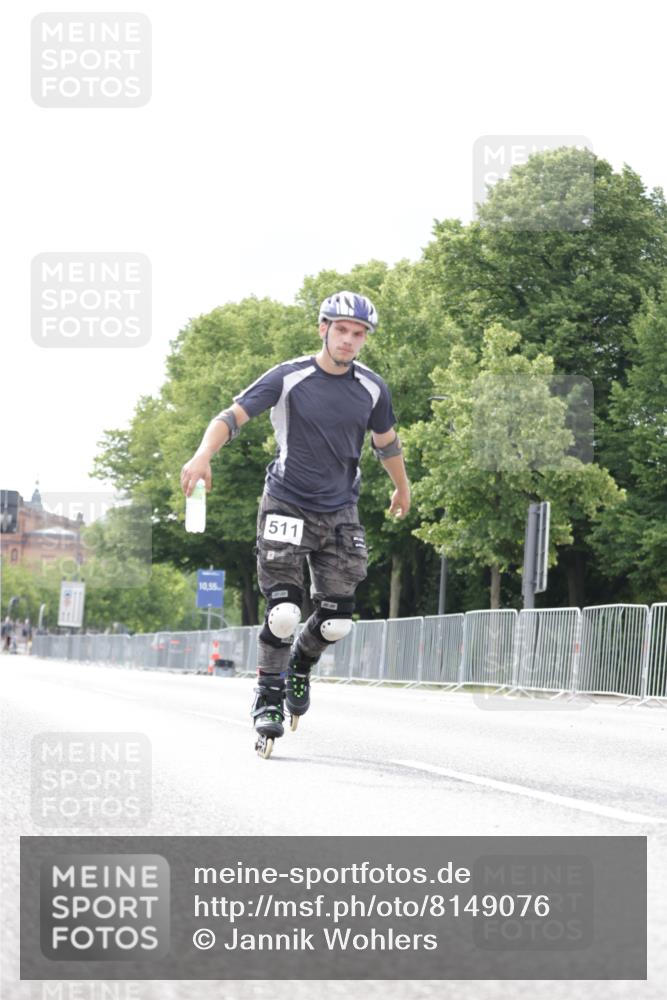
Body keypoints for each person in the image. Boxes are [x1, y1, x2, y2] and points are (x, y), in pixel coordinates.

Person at [180, 291, 411, 757]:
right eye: (341, 329)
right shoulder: (290, 377)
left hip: (341, 511)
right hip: (286, 504)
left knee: (335, 624)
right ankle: (267, 698)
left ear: (365, 339)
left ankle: (300, 667)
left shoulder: (372, 387)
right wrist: (204, 454)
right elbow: (232, 416)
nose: (349, 340)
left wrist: (402, 487)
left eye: (358, 333)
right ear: (322, 328)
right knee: (284, 612)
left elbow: (386, 442)